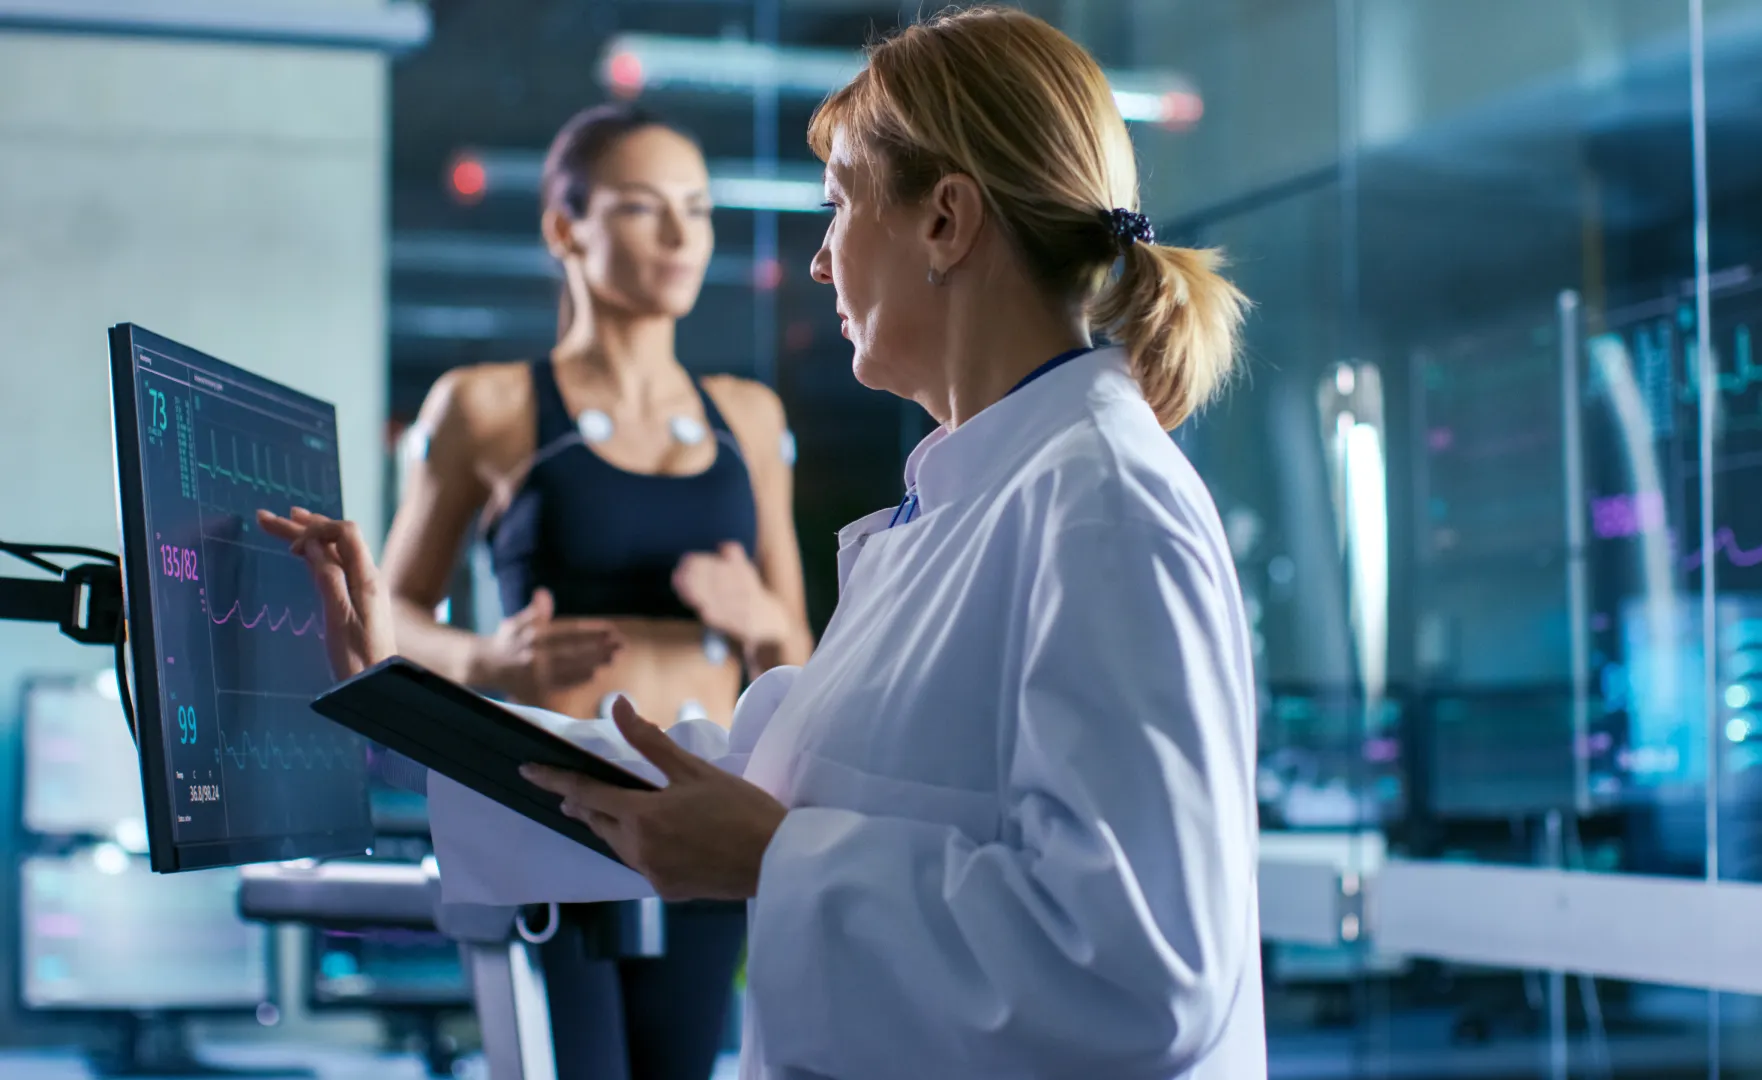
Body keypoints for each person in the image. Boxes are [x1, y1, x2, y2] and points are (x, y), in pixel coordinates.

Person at [265, 6, 1263, 1077]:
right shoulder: (977, 498)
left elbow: (1137, 972)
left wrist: (777, 860)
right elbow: (747, 781)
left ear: (945, 222)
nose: (820, 263)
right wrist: (401, 695)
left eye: (838, 207)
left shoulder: (1103, 502)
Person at [377, 103, 812, 1080]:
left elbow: (800, 662)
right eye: (643, 207)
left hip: (699, 816)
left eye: (697, 209)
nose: (681, 236)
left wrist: (761, 619)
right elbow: (388, 619)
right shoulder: (486, 406)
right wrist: (486, 659)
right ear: (566, 229)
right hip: (550, 816)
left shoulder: (748, 416)